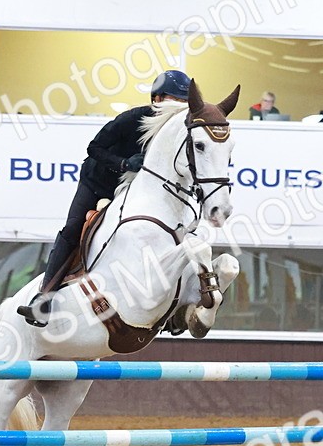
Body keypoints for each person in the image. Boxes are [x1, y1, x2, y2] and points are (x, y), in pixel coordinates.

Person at [17, 69, 192, 327]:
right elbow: (93, 148)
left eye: (183, 103)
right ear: (157, 99)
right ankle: (44, 299)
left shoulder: (179, 132)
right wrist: (123, 163)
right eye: (174, 101)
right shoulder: (133, 118)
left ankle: (175, 308)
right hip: (98, 182)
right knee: (73, 228)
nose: (178, 109)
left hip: (134, 191)